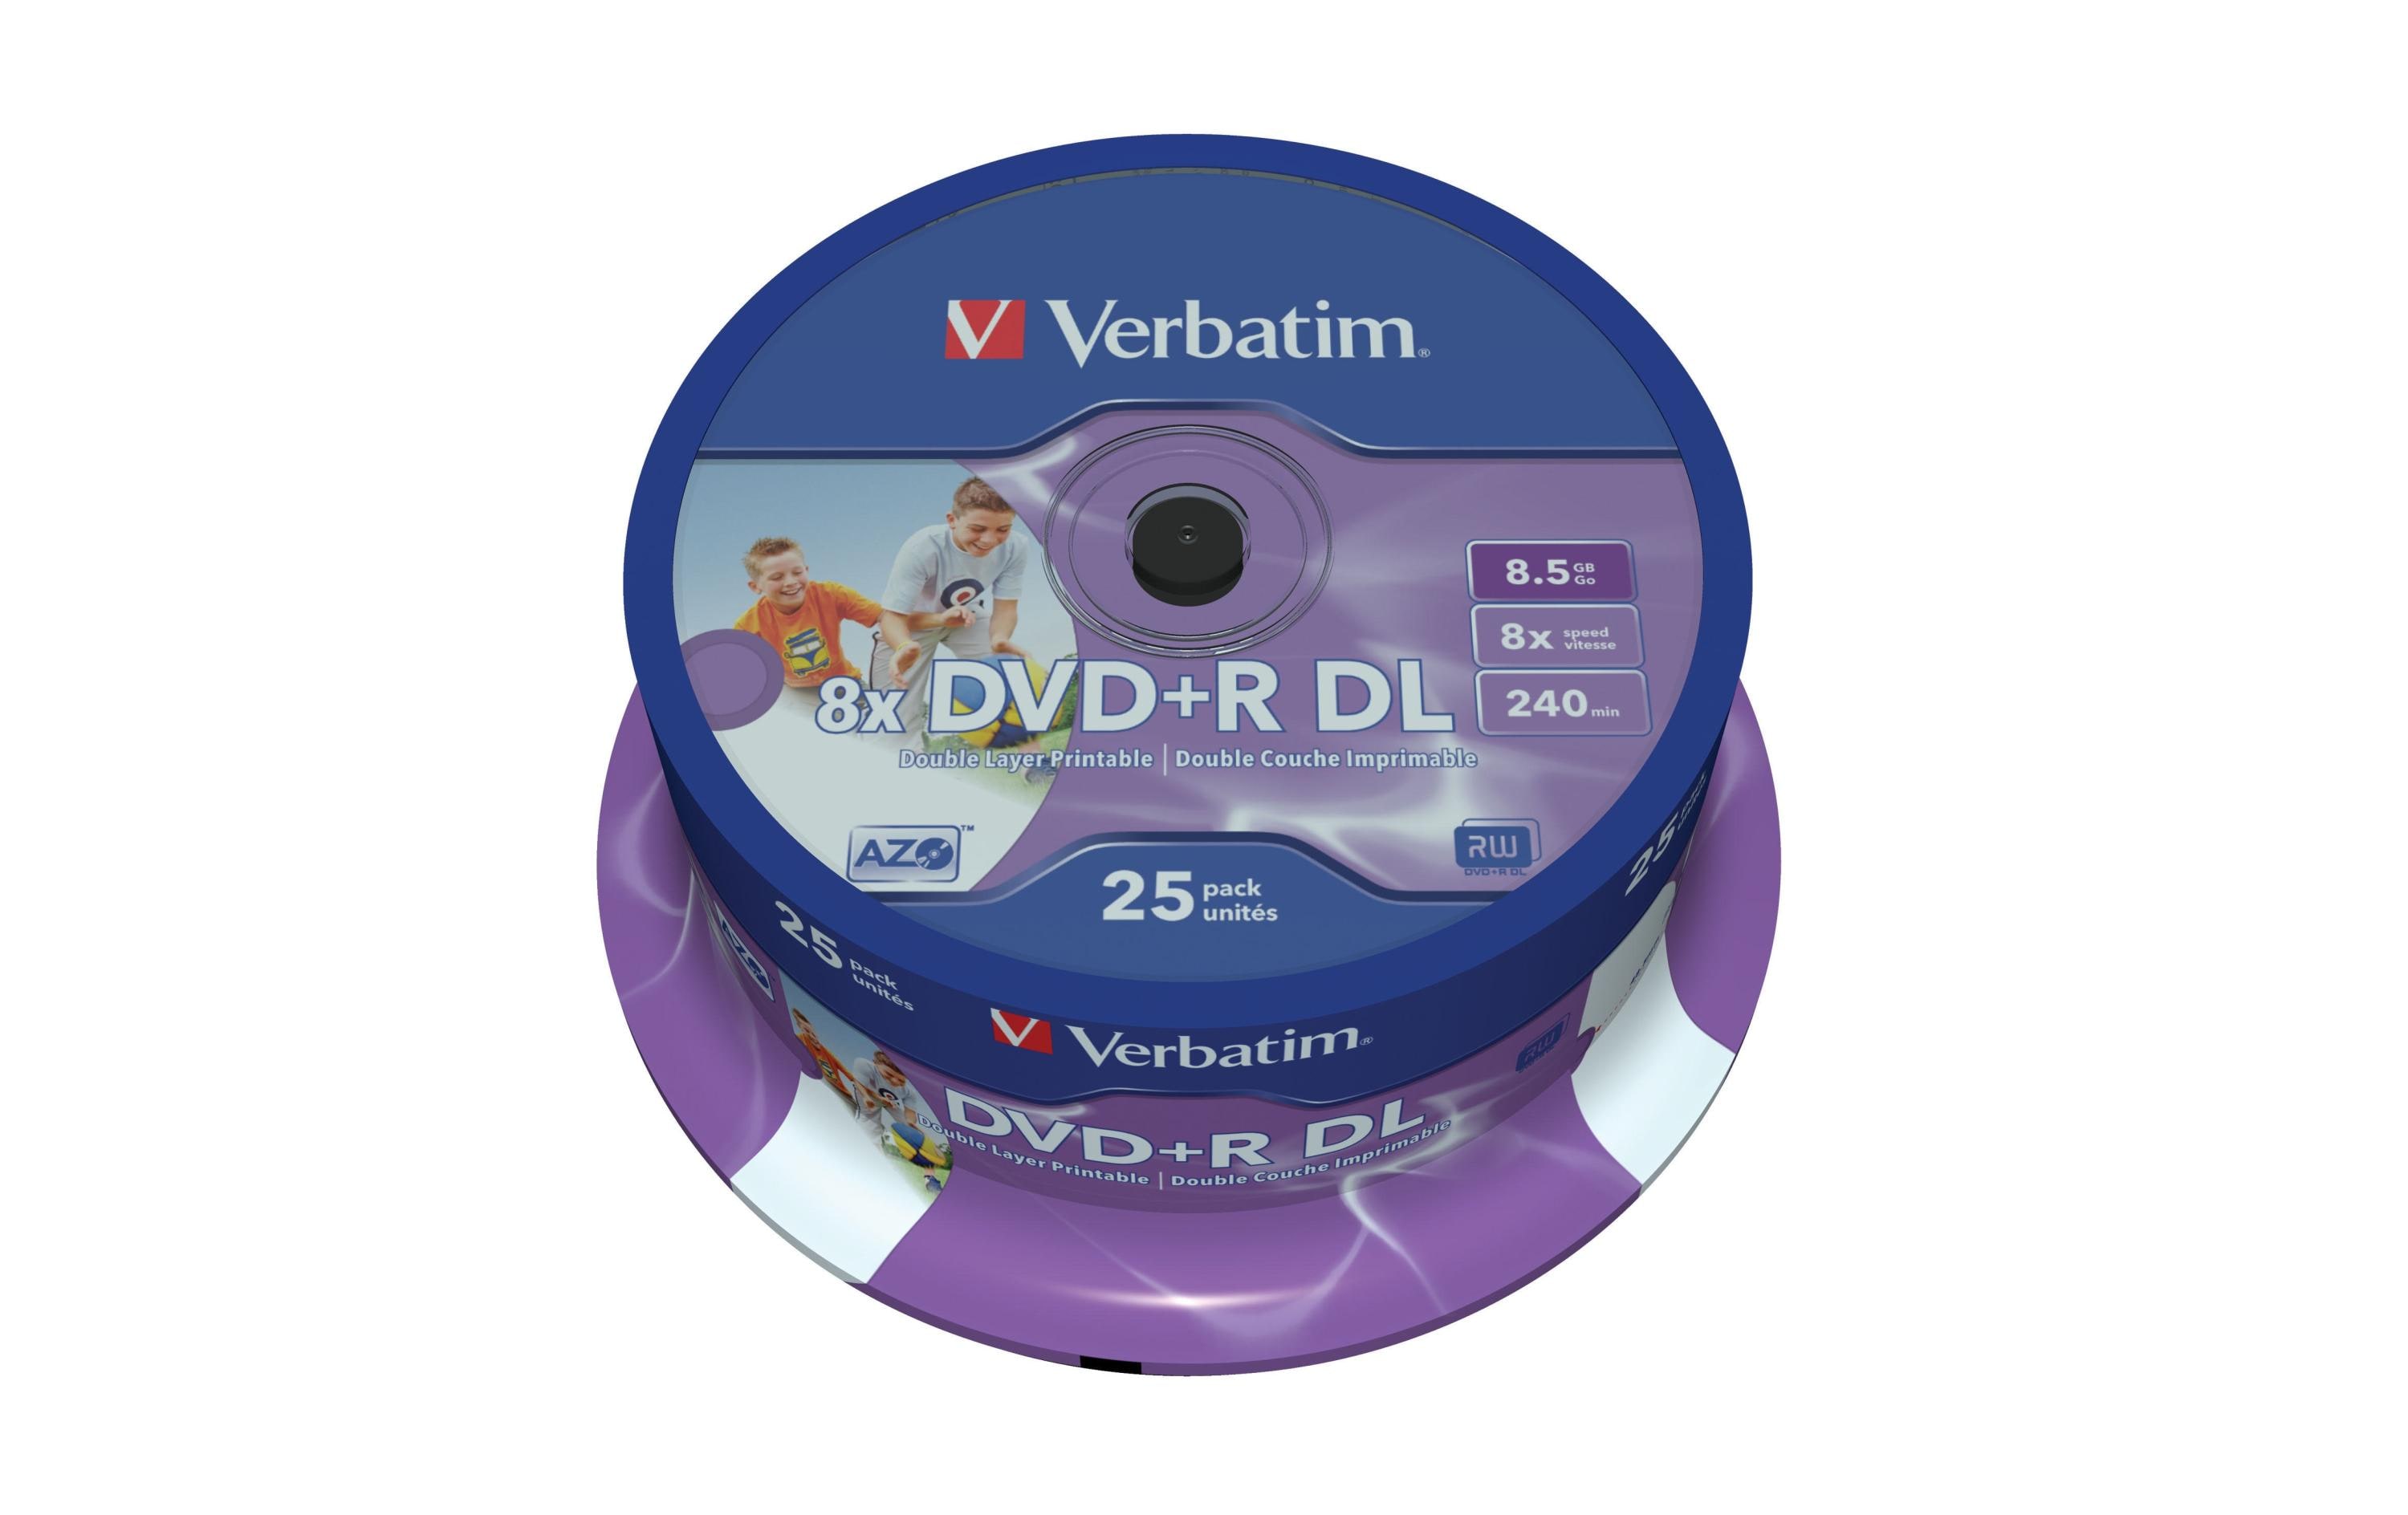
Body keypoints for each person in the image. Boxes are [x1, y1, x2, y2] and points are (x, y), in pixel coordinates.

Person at [868, 477, 1032, 735]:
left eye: (1003, 529)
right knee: (893, 716)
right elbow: (891, 617)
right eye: (978, 528)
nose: (989, 540)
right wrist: (903, 645)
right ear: (952, 520)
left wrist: (999, 638)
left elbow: (1006, 608)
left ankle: (1031, 756)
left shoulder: (1016, 547)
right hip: (909, 626)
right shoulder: (922, 548)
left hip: (965, 616)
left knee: (1010, 680)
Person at [732, 536, 881, 693]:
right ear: (755, 586)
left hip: (842, 683)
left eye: (797, 572)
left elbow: (883, 616)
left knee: (875, 706)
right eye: (777, 577)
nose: (791, 582)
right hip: (793, 691)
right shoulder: (748, 625)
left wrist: (899, 646)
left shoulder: (830, 594)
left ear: (806, 571)